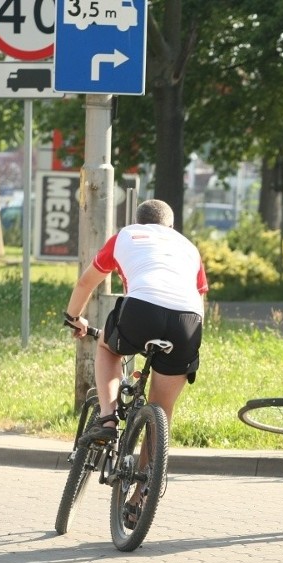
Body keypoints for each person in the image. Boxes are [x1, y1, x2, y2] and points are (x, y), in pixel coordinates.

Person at [64, 199, 208, 525]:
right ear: (169, 227)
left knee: (108, 349)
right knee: (162, 410)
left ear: (138, 221)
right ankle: (139, 496)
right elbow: (201, 298)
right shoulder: (188, 248)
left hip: (142, 308)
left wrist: (73, 317)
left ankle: (108, 420)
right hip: (189, 322)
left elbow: (87, 282)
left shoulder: (126, 236)